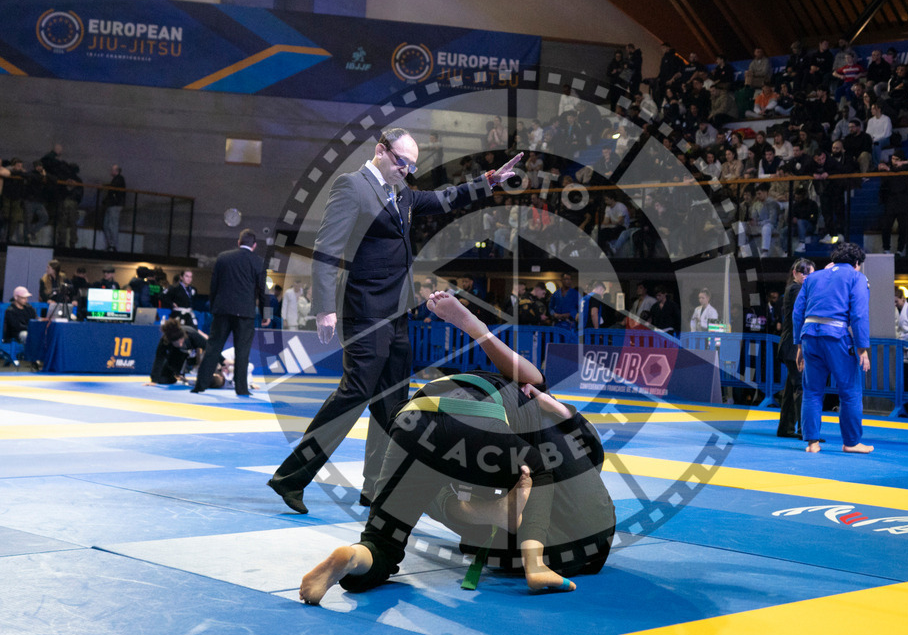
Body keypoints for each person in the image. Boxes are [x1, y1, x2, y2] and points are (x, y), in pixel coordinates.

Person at [298, 291, 615, 603]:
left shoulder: (523, 392)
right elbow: (535, 386)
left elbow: (530, 375)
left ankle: (354, 557)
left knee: (383, 542)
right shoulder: (535, 409)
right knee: (536, 472)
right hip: (476, 416)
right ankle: (534, 562)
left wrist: (475, 328)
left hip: (411, 416)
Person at [267, 128, 522, 513]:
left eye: (412, 166)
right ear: (381, 151)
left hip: (397, 312)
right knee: (354, 394)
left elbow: (443, 198)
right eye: (402, 162)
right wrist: (324, 307)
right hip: (363, 310)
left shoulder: (401, 192)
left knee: (393, 404)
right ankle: (291, 477)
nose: (406, 170)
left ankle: (375, 487)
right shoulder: (352, 187)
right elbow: (326, 249)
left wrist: (488, 181)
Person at [793, 243, 872, 454]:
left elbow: (798, 312)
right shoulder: (857, 277)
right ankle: (851, 442)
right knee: (850, 391)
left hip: (809, 336)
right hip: (836, 337)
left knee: (812, 391)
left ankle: (812, 443)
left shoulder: (813, 278)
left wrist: (799, 344)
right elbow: (859, 314)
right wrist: (862, 348)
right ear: (857, 263)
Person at [192, 229, 268, 395]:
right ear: (254, 245)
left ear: (238, 242)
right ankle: (242, 389)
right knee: (242, 351)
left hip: (223, 311)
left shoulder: (223, 257)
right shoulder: (259, 262)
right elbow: (264, 291)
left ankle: (200, 385)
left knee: (213, 347)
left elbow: (214, 285)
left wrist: (214, 308)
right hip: (245, 313)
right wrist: (266, 314)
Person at [777, 259, 815, 439]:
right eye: (803, 272)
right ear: (795, 273)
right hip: (793, 346)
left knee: (793, 387)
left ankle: (786, 427)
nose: (807, 276)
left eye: (810, 273)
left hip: (790, 345)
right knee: (801, 386)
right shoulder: (796, 289)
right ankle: (805, 429)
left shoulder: (795, 288)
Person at [149, 318, 210, 386]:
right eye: (176, 343)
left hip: (196, 354)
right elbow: (159, 358)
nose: (180, 344)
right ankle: (177, 374)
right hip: (177, 356)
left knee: (213, 380)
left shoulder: (192, 334)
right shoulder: (165, 340)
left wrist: (220, 364)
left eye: (181, 340)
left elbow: (211, 349)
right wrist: (154, 380)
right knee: (162, 379)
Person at [3, 286, 37, 359]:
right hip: (16, 335)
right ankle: (33, 357)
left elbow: (35, 319)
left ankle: (38, 357)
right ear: (16, 297)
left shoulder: (28, 308)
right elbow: (15, 327)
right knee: (26, 335)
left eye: (26, 298)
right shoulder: (10, 310)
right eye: (23, 298)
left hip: (29, 331)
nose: (26, 300)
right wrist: (30, 328)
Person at [101, 165, 125, 252]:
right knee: (108, 225)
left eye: (112, 170)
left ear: (116, 171)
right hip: (113, 205)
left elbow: (113, 190)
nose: (111, 171)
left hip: (114, 205)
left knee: (111, 225)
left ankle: (113, 245)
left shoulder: (118, 179)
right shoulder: (118, 179)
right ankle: (111, 245)